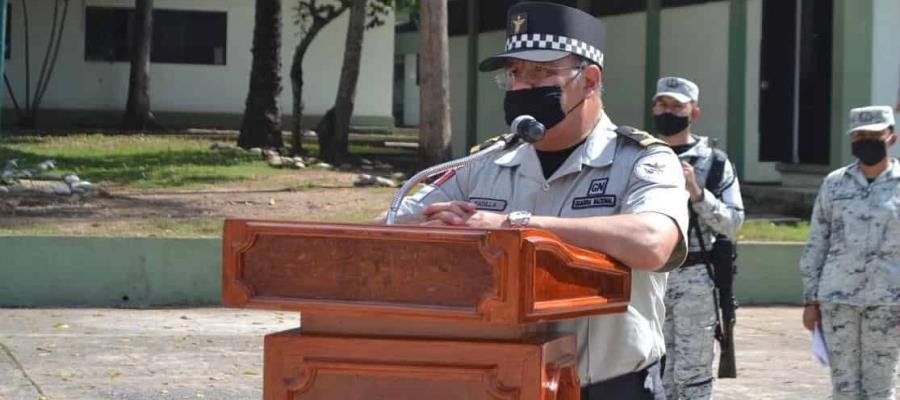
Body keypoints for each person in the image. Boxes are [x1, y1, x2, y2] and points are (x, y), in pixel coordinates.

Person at [392, 2, 689, 399]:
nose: (521, 87)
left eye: (540, 72)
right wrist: (430, 227)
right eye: (514, 73)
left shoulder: (642, 160)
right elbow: (390, 226)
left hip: (606, 387)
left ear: (588, 79)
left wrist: (514, 225)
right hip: (499, 383)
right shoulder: (486, 161)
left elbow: (652, 242)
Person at [649, 77, 745, 400]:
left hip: (695, 281)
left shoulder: (715, 162)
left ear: (694, 112)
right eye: (663, 104)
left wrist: (700, 194)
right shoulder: (639, 156)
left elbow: (733, 223)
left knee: (691, 377)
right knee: (650, 373)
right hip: (648, 279)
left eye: (677, 106)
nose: (669, 112)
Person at [799, 105, 900, 400]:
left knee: (880, 390)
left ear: (891, 137)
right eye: (859, 136)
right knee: (844, 389)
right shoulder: (834, 183)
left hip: (888, 303)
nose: (866, 140)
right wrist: (811, 299)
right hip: (838, 301)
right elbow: (817, 241)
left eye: (874, 134)